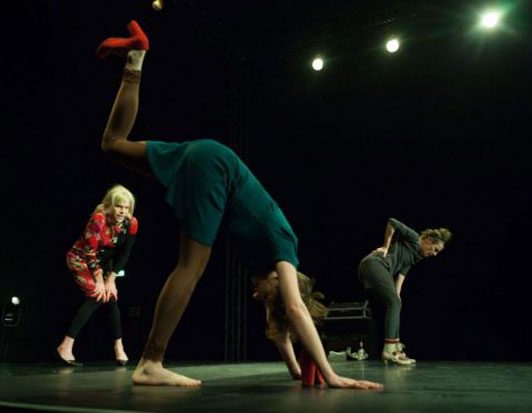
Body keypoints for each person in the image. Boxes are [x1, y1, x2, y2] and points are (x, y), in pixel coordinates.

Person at [93, 20, 382, 389]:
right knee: (191, 267)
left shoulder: (269, 262)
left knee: (113, 144)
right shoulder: (285, 249)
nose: (255, 295)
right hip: (216, 171)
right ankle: (151, 361)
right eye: (269, 296)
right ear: (281, 280)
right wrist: (332, 375)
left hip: (208, 156)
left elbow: (280, 325)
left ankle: (135, 58)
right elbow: (294, 308)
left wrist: (298, 369)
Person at [55, 184, 138, 367]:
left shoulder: (131, 223)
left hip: (104, 264)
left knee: (111, 297)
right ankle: (65, 346)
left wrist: (111, 280)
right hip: (81, 259)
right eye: (118, 206)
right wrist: (100, 281)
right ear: (110, 205)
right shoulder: (99, 219)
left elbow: (125, 254)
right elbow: (89, 251)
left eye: (126, 208)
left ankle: (119, 348)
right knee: (97, 295)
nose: (122, 211)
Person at [357, 217, 452, 366]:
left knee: (396, 303)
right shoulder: (414, 238)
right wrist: (385, 247)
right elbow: (392, 222)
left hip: (375, 270)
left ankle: (395, 349)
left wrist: (397, 296)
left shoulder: (415, 256)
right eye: (435, 249)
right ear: (428, 240)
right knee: (394, 303)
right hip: (374, 265)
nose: (434, 254)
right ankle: (389, 349)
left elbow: (401, 276)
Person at [251, 271, 328, 387]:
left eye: (267, 299)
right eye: (267, 298)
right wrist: (330, 376)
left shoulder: (270, 285)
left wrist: (295, 370)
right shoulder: (277, 270)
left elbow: (280, 334)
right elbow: (282, 329)